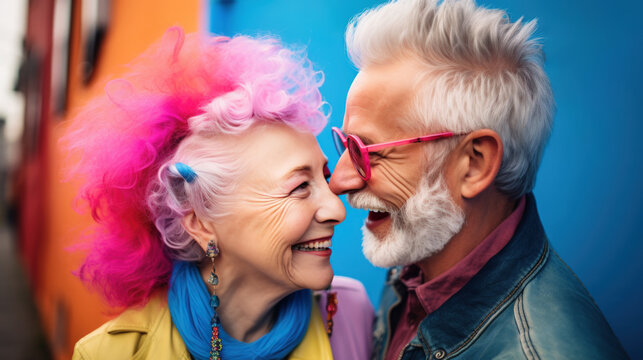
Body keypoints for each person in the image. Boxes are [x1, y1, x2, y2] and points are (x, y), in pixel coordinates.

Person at [328, 0, 628, 359]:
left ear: (474, 164)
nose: (340, 181)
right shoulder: (422, 250)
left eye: (366, 150)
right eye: (345, 143)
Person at [65, 27, 373, 360]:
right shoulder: (112, 353)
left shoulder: (349, 314)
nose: (336, 209)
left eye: (323, 177)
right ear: (200, 222)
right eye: (299, 187)